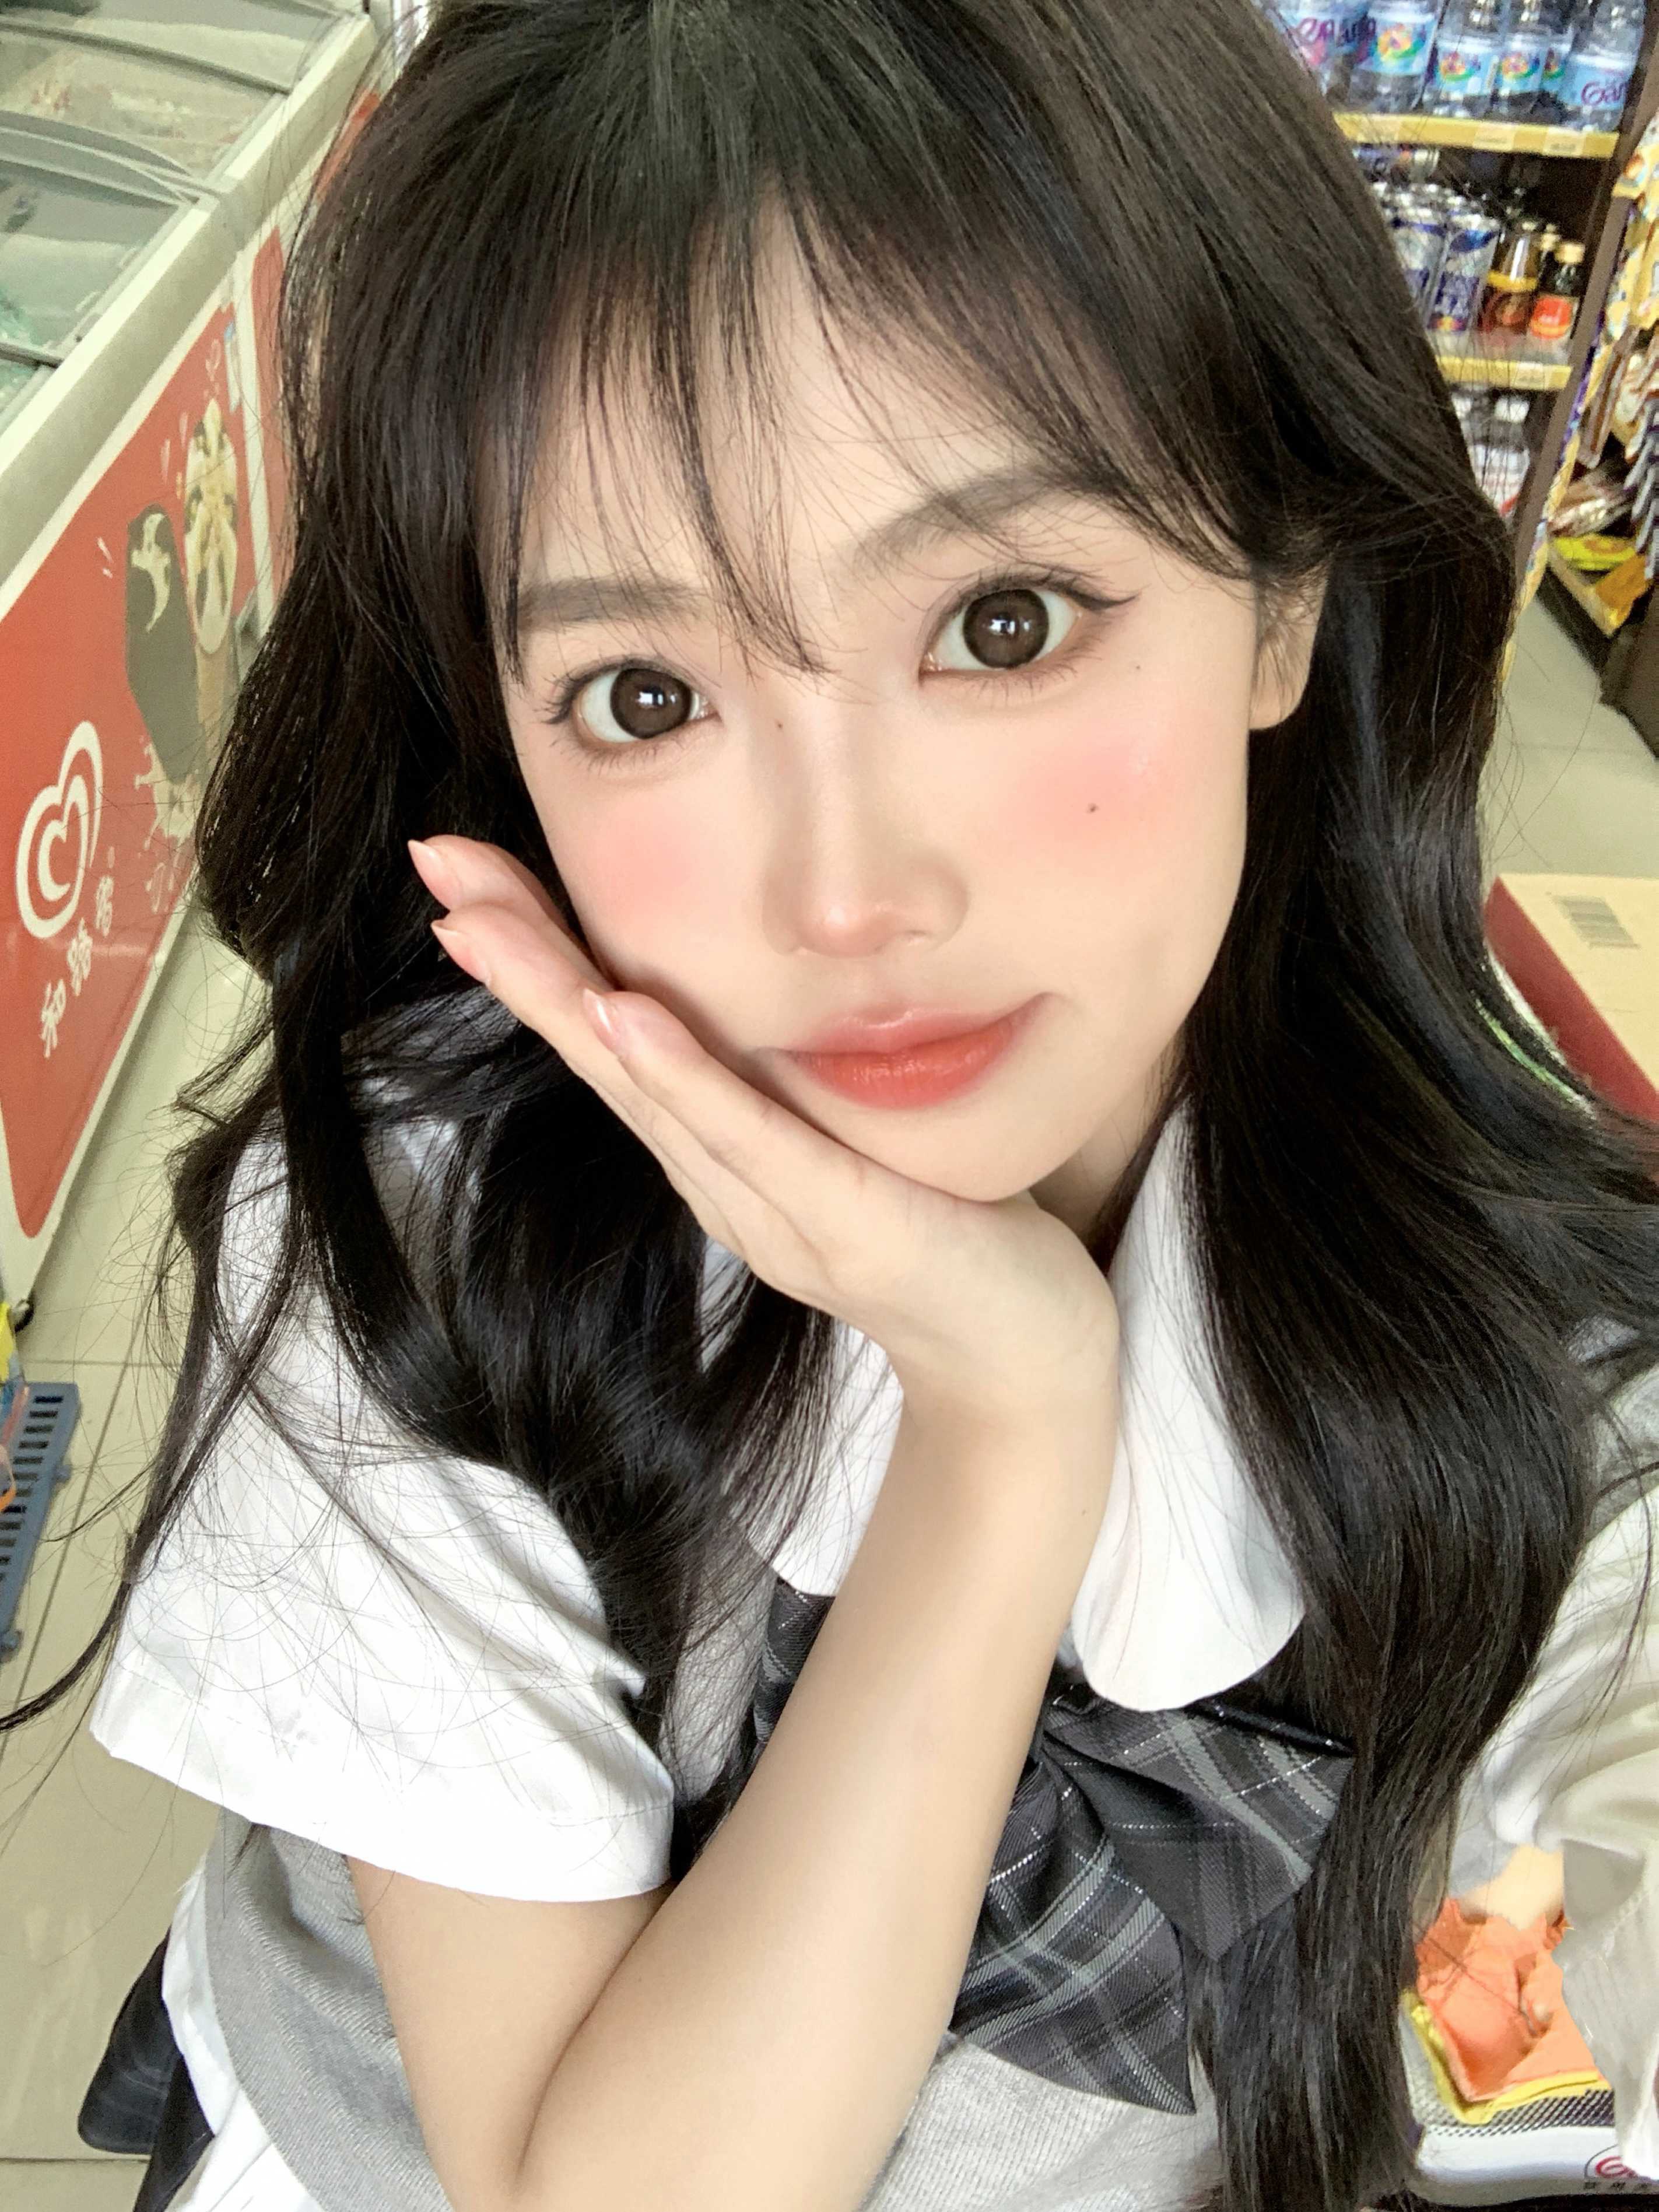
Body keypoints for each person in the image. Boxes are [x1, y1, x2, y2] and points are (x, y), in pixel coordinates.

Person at [8, 1, 1658, 2207]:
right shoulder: (422, 1235)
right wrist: (1009, 1419)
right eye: (646, 693)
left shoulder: (1562, 1376)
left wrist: (1531, 2017)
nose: (847, 892)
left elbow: (1552, 2010)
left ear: (1284, 602)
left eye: (1004, 623)